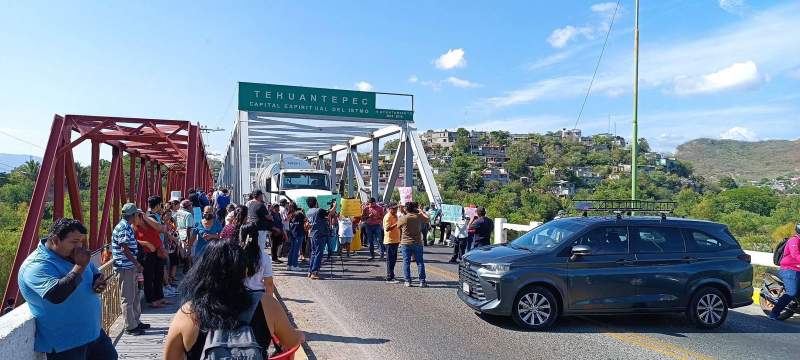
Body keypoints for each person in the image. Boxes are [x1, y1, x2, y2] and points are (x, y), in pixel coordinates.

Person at [163, 240, 303, 360]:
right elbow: (292, 341)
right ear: (245, 271)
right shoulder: (267, 304)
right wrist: (300, 335)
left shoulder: (188, 312)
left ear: (202, 270)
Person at [18, 218, 117, 359]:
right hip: (65, 344)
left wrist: (98, 281)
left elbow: (94, 272)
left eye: (81, 241)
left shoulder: (74, 256)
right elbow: (56, 294)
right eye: (74, 242)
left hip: (94, 334)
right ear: (55, 240)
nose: (79, 246)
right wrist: (80, 266)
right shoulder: (36, 265)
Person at [111, 203, 148, 336]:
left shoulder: (124, 226)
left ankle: (135, 321)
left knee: (134, 295)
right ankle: (130, 326)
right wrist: (137, 263)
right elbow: (124, 248)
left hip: (128, 266)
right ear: (133, 215)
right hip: (125, 267)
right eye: (137, 215)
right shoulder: (124, 228)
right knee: (127, 297)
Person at [134, 196, 172, 308]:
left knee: (158, 275)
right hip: (148, 251)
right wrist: (145, 217)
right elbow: (160, 228)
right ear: (158, 205)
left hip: (156, 249)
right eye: (161, 205)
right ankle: (151, 300)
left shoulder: (152, 216)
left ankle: (159, 298)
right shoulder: (145, 216)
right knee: (149, 276)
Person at [769, 223, 800, 320]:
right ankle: (774, 313)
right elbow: (795, 255)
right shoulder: (794, 240)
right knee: (791, 292)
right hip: (790, 269)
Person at [397, 202, 429, 287]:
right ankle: (422, 281)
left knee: (406, 262)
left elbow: (398, 226)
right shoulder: (418, 217)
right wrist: (421, 211)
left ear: (406, 209)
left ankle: (407, 281)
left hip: (406, 243)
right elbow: (427, 218)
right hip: (417, 242)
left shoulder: (403, 218)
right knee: (420, 262)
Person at [306, 197, 333, 280]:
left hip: (313, 234)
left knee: (314, 253)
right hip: (320, 234)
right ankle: (314, 272)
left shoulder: (308, 212)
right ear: (315, 202)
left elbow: (321, 218)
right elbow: (329, 213)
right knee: (318, 254)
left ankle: (310, 271)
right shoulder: (319, 210)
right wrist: (335, 206)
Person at [174, 200, 195, 273]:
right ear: (188, 207)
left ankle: (187, 266)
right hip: (187, 234)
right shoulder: (188, 214)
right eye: (190, 205)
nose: (192, 207)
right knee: (189, 252)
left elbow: (173, 219)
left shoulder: (178, 212)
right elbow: (188, 228)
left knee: (183, 251)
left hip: (180, 233)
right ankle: (189, 267)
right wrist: (189, 240)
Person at [383, 203, 401, 284]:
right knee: (390, 260)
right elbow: (387, 228)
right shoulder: (388, 216)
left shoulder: (395, 215)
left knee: (393, 260)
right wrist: (396, 224)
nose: (396, 210)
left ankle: (392, 275)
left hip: (395, 240)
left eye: (396, 208)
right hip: (390, 241)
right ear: (389, 209)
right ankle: (389, 277)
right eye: (394, 209)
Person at [287, 203, 306, 271]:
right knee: (296, 250)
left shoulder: (289, 214)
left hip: (292, 234)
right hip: (299, 233)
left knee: (292, 250)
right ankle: (294, 265)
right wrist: (303, 212)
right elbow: (305, 219)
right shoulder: (299, 214)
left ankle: (289, 265)